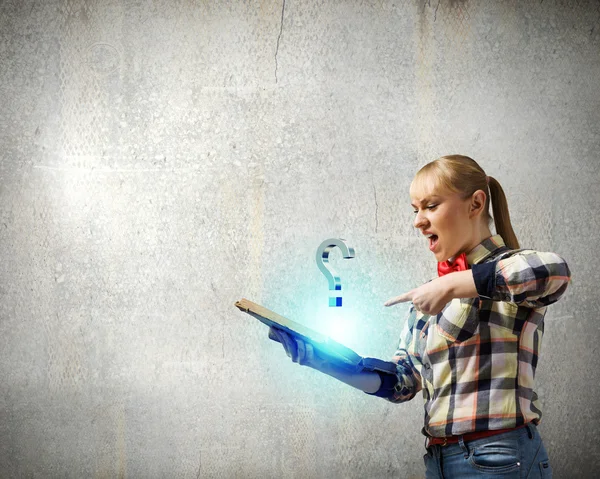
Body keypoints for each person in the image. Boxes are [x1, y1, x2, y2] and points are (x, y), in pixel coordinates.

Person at [269, 155, 571, 478]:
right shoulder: (430, 296)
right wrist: (324, 361)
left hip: (500, 458)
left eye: (430, 206)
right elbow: (403, 381)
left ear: (476, 203)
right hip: (439, 462)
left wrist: (453, 284)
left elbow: (555, 272)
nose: (418, 221)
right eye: (416, 210)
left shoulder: (512, 269)